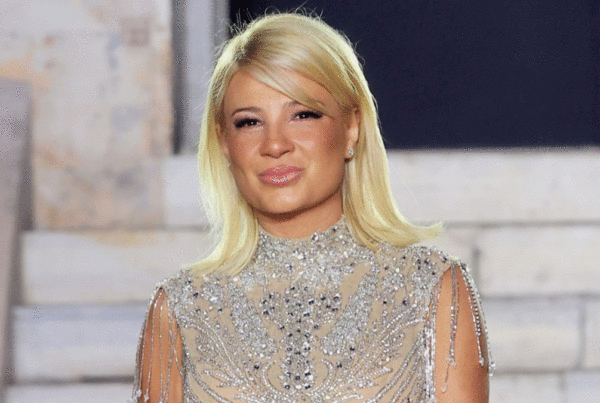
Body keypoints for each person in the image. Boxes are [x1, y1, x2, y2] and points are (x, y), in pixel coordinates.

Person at [131, 11, 493, 403]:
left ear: (352, 127)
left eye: (303, 114)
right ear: (224, 143)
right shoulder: (180, 308)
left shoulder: (432, 288)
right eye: (249, 122)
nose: (274, 145)